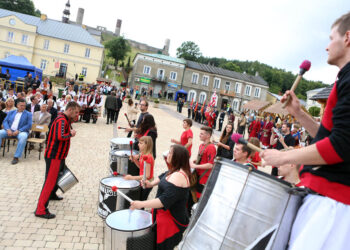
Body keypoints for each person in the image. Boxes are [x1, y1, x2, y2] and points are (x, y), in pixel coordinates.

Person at [260, 12, 350, 250]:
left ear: (348, 37)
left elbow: (341, 146)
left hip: (335, 206)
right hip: (330, 201)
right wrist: (299, 112)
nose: (327, 46)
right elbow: (332, 137)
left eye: (332, 38)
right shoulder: (344, 79)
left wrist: (283, 156)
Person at [130, 145, 190, 250]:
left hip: (171, 222)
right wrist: (150, 184)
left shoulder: (179, 177)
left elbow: (162, 201)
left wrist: (141, 204)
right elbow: (163, 176)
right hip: (162, 215)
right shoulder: (174, 170)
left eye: (170, 153)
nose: (168, 154)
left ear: (177, 157)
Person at [35, 101, 80, 219]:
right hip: (54, 156)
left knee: (57, 177)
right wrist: (71, 134)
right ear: (69, 110)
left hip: (59, 156)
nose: (76, 115)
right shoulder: (61, 120)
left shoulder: (65, 119)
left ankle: (52, 194)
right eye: (75, 112)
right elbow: (59, 136)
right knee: (49, 182)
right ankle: (40, 209)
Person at [0, 99, 32, 164]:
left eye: (24, 106)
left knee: (23, 137)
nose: (23, 107)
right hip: (9, 130)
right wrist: (8, 129)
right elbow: (5, 121)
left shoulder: (28, 114)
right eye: (21, 105)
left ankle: (16, 157)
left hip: (21, 131)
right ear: (17, 105)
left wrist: (19, 130)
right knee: (0, 133)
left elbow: (29, 125)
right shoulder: (11, 112)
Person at [190, 126, 216, 200]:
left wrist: (195, 166)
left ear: (208, 135)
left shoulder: (211, 147)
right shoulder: (201, 145)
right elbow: (202, 159)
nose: (199, 135)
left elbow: (210, 165)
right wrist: (195, 161)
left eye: (201, 134)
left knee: (198, 198)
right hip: (198, 175)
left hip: (204, 177)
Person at [125, 136, 155, 201]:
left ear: (147, 145)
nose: (138, 144)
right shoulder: (142, 154)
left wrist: (132, 178)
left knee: (141, 201)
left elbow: (147, 175)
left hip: (147, 183)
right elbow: (141, 167)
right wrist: (135, 160)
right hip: (142, 180)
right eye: (139, 142)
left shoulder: (147, 157)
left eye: (141, 143)